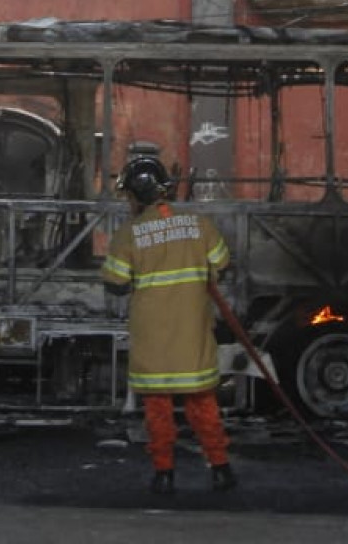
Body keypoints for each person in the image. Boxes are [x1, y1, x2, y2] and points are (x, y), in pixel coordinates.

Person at [102, 151, 236, 494]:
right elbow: (222, 263)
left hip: (153, 340)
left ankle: (164, 474)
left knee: (158, 409)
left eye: (129, 195)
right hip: (193, 335)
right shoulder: (199, 225)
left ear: (138, 194)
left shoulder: (129, 234)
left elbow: (115, 284)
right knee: (202, 403)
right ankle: (220, 468)